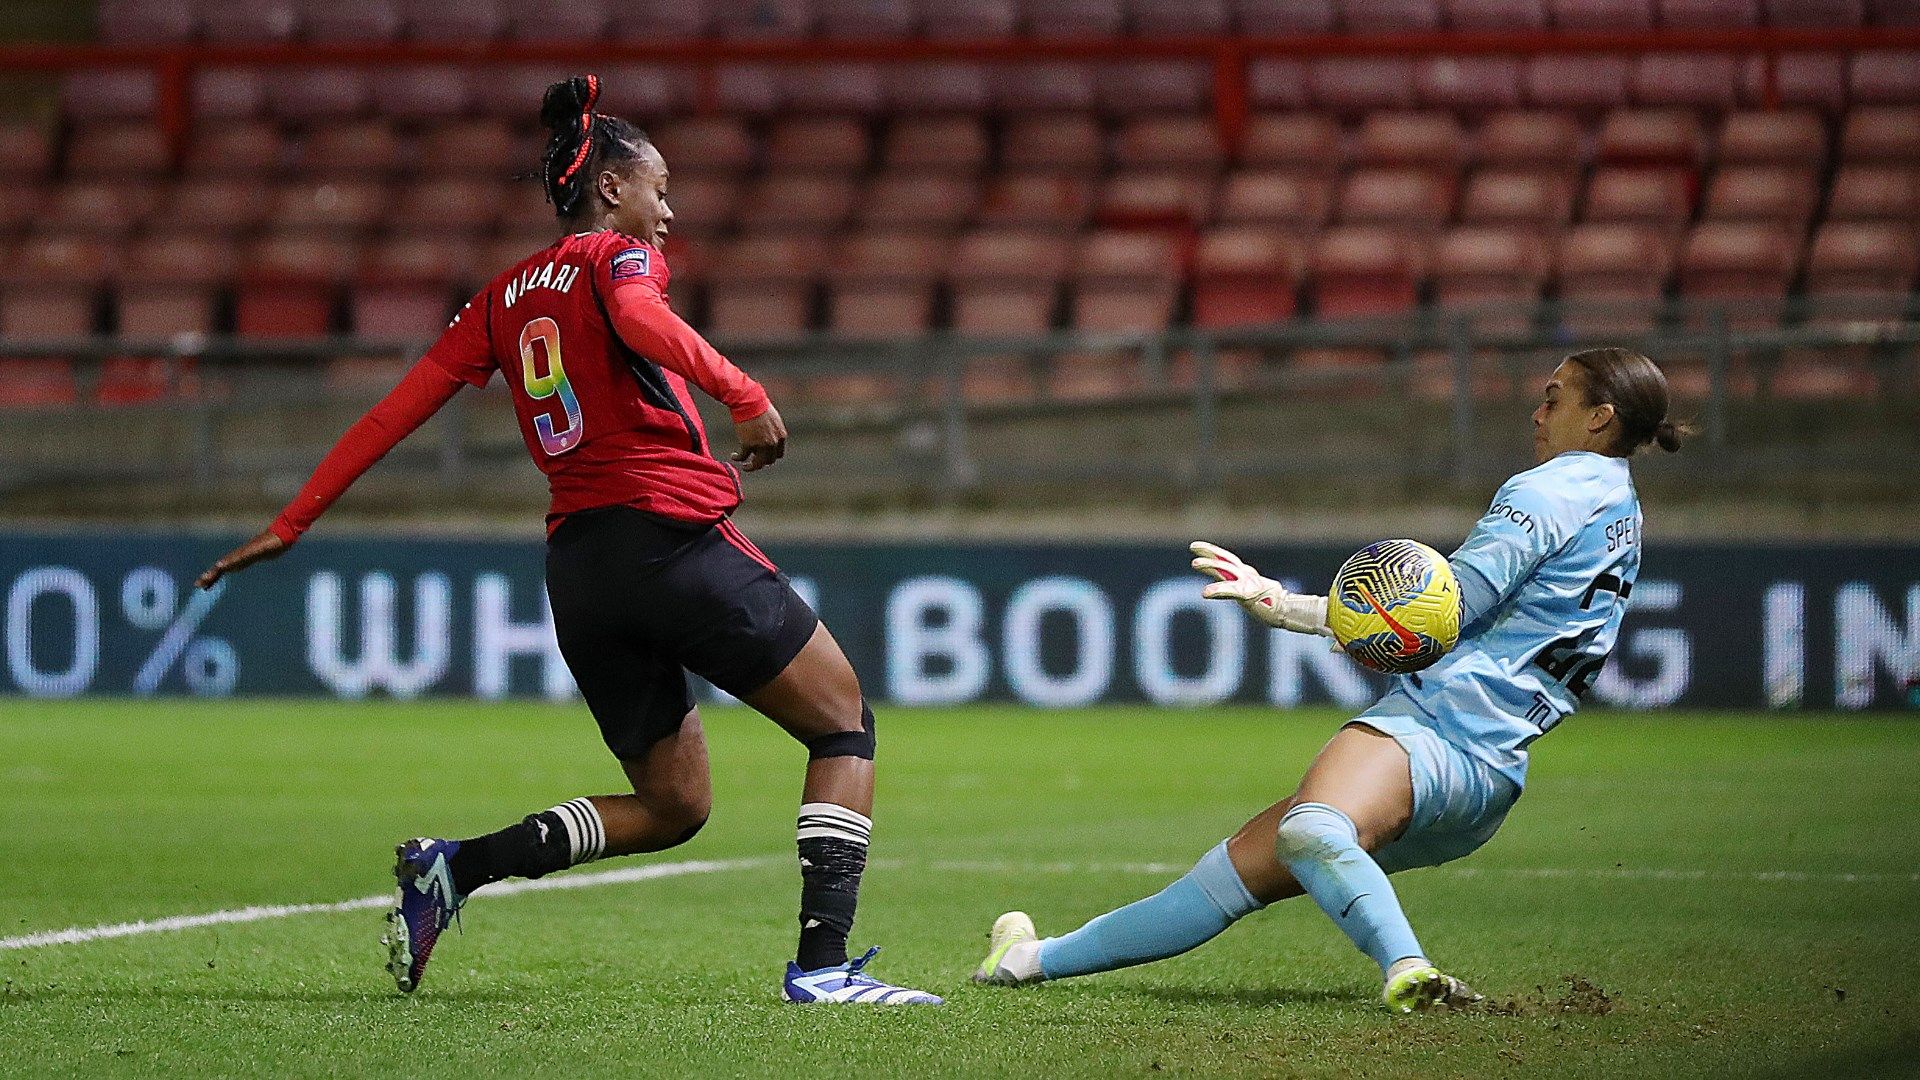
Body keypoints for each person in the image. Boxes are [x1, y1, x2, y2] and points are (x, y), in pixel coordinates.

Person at [196, 75, 939, 1005]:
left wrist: (290, 523)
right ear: (613, 190)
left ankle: (454, 869)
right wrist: (746, 396)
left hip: (582, 572)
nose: (669, 213)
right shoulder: (612, 260)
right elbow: (636, 316)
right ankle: (825, 970)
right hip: (667, 540)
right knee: (843, 721)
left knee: (676, 807)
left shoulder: (500, 298)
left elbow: (393, 414)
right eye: (659, 191)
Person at [973, 348, 1684, 1013]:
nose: (1537, 412)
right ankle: (1027, 960)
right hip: (1492, 777)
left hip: (1440, 731)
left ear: (1600, 418)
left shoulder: (1552, 487)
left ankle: (1410, 971)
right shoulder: (1619, 504)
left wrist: (1284, 607)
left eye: (1554, 399)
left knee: (1312, 830)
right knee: (1230, 875)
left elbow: (1444, 610)